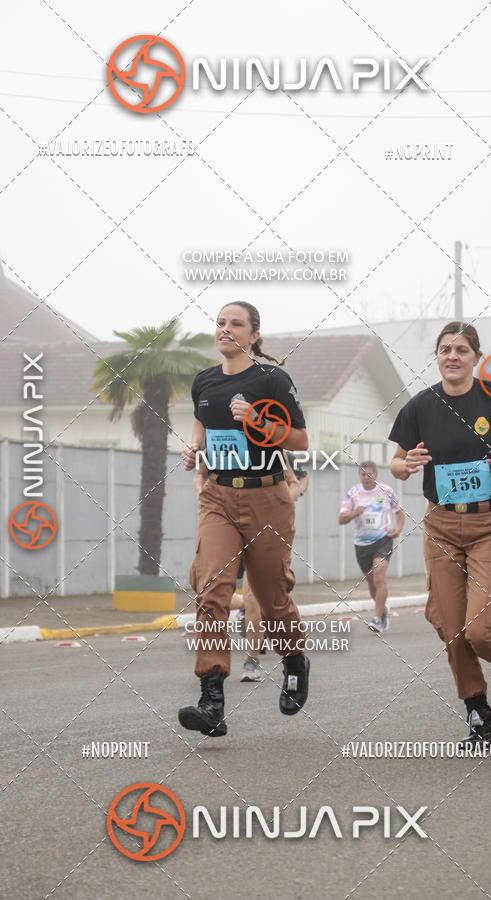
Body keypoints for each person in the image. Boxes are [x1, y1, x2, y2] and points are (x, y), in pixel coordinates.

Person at [388, 321, 491, 751]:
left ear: (476, 357)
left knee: (480, 628)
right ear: (437, 357)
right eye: (445, 349)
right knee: (450, 626)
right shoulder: (420, 406)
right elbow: (396, 463)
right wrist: (408, 464)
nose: (453, 356)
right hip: (441, 524)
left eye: (461, 349)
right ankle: (477, 711)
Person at [179, 301, 310, 738]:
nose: (226, 329)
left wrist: (256, 420)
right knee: (210, 590)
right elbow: (201, 428)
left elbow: (300, 440)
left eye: (236, 324)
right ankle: (211, 699)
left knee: (272, 597)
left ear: (254, 335)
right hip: (218, 495)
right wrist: (193, 450)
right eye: (220, 323)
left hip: (266, 495)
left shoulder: (271, 380)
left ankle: (294, 659)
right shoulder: (204, 381)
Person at [232, 452, 309, 682]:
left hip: (267, 531)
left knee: (253, 596)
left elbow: (300, 481)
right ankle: (252, 613)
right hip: (231, 525)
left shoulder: (277, 448)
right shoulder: (226, 445)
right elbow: (202, 476)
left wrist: (284, 498)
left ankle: (252, 659)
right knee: (211, 592)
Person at [338, 461, 404, 633]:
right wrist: (355, 512)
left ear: (376, 475)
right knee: (372, 582)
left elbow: (399, 511)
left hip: (383, 539)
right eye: (363, 475)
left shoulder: (386, 491)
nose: (366, 478)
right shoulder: (353, 493)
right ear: (359, 476)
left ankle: (377, 619)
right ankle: (382, 610)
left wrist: (398, 528)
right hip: (362, 544)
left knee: (379, 577)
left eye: (369, 474)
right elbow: (341, 519)